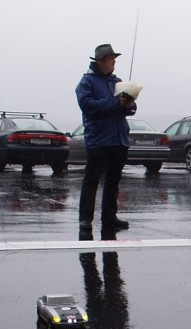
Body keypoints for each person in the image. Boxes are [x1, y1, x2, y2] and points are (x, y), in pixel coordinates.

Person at [75, 44, 137, 232]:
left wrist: (128, 104)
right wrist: (115, 102)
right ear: (101, 61)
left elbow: (131, 109)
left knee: (113, 181)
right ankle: (85, 218)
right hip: (98, 139)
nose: (114, 63)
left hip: (119, 139)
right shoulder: (86, 82)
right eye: (111, 60)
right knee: (92, 180)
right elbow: (87, 105)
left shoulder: (117, 82)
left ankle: (110, 217)